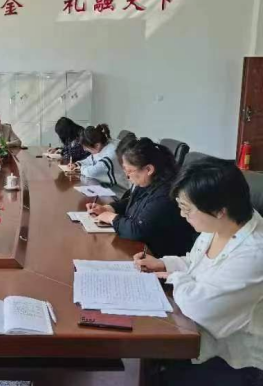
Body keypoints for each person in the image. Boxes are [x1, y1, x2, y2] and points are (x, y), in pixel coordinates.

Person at [135, 158, 263, 386]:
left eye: (187, 209)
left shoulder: (254, 253)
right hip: (197, 334)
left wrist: (174, 277)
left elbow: (200, 307)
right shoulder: (222, 224)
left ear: (220, 210)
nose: (182, 215)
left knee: (149, 373)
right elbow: (197, 263)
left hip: (234, 359)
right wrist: (164, 264)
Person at [88, 138, 197, 257]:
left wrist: (111, 218)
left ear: (148, 169)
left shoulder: (166, 194)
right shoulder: (150, 181)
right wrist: (109, 208)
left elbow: (138, 230)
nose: (127, 176)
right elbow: (132, 201)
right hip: (144, 249)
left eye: (129, 171)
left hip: (160, 257)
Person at [71, 124, 129, 189]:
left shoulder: (111, 154)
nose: (84, 149)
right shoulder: (103, 144)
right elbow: (90, 159)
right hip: (105, 186)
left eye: (86, 147)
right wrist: (78, 164)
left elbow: (91, 172)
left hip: (118, 190)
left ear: (97, 145)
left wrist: (80, 168)